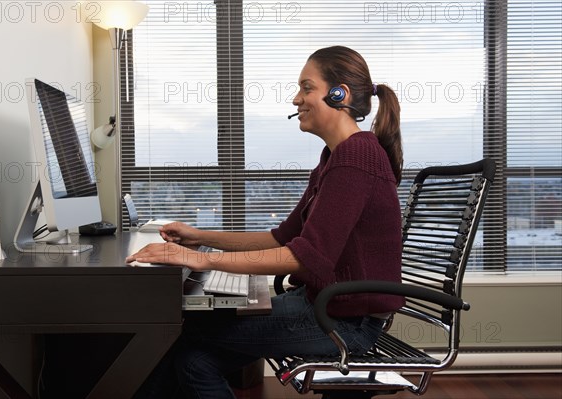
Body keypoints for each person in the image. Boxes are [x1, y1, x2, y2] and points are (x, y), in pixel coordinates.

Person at [127, 45, 405, 399]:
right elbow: (282, 238)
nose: (295, 99)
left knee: (184, 327)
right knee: (194, 361)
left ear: (340, 94)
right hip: (323, 308)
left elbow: (304, 257)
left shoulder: (356, 155)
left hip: (343, 325)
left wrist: (203, 259)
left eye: (306, 88)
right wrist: (199, 236)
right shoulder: (334, 158)